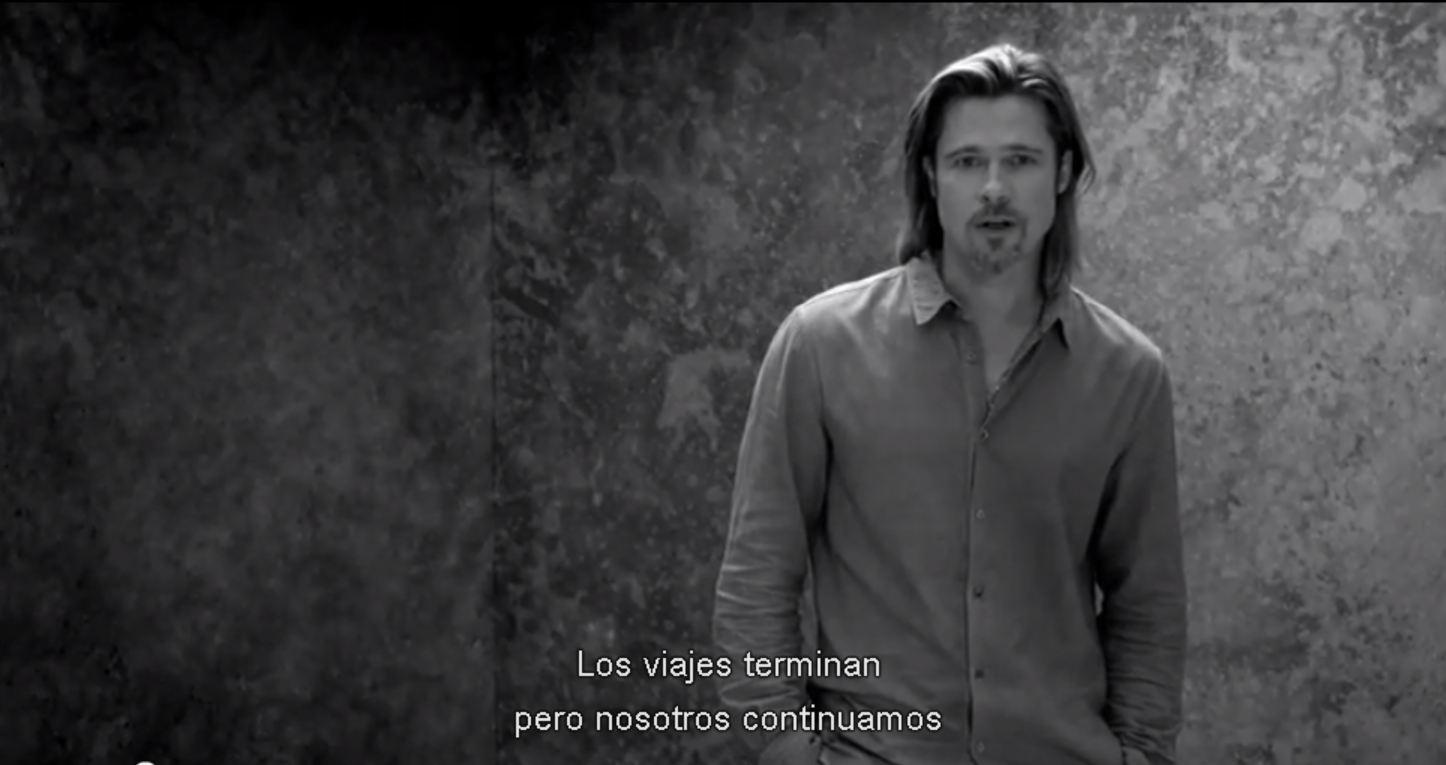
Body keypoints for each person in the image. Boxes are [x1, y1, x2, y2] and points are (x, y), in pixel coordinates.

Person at [712, 42, 1188, 765]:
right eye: (968, 161)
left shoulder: (1128, 373)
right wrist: (786, 747)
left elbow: (1146, 603)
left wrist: (1142, 754)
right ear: (932, 177)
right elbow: (756, 577)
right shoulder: (820, 346)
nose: (995, 188)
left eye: (1021, 160)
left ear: (1062, 173)